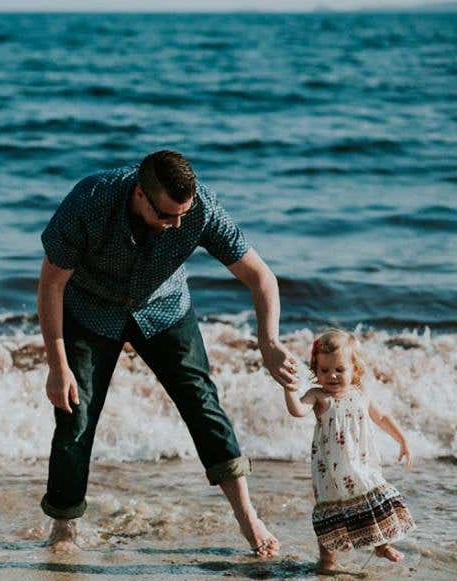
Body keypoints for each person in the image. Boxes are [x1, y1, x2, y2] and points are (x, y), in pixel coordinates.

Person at [37, 150, 296, 556]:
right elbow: (51, 285)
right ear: (140, 195)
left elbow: (260, 276)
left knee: (202, 401)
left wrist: (270, 342)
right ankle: (64, 527)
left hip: (164, 307)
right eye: (167, 216)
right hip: (90, 310)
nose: (178, 225)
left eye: (183, 215)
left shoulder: (200, 209)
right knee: (75, 414)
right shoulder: (89, 202)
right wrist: (58, 366)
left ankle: (248, 517)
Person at [284, 329, 414, 575]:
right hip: (331, 470)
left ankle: (381, 544)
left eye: (339, 370)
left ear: (355, 369)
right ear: (316, 369)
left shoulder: (361, 394)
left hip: (362, 463)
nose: (331, 376)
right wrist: (288, 388)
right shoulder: (319, 396)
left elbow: (382, 417)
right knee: (331, 509)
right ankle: (327, 562)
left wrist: (402, 440)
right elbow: (297, 410)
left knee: (371, 498)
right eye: (324, 370)